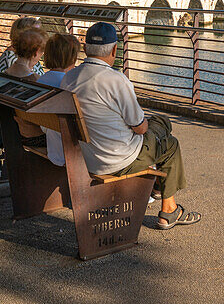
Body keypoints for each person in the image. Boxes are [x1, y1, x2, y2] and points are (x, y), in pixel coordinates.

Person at [60, 22, 200, 229]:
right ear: (115, 50)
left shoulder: (69, 78)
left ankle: (158, 188)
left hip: (85, 158)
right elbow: (140, 128)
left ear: (85, 48)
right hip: (118, 160)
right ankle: (168, 209)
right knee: (168, 141)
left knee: (158, 130)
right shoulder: (116, 80)